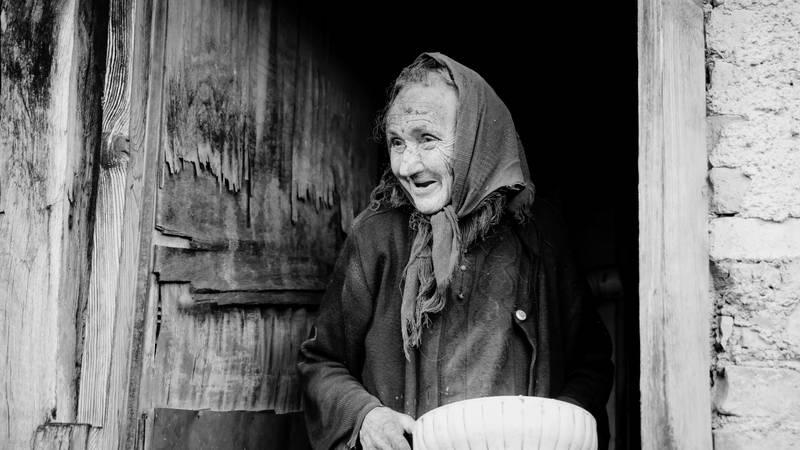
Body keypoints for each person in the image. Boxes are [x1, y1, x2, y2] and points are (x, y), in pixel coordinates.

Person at [298, 53, 613, 450]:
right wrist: (366, 416)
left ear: (474, 139)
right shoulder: (377, 236)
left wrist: (560, 426)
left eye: (427, 139)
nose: (408, 165)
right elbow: (321, 361)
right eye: (397, 142)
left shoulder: (538, 234)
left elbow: (591, 361)